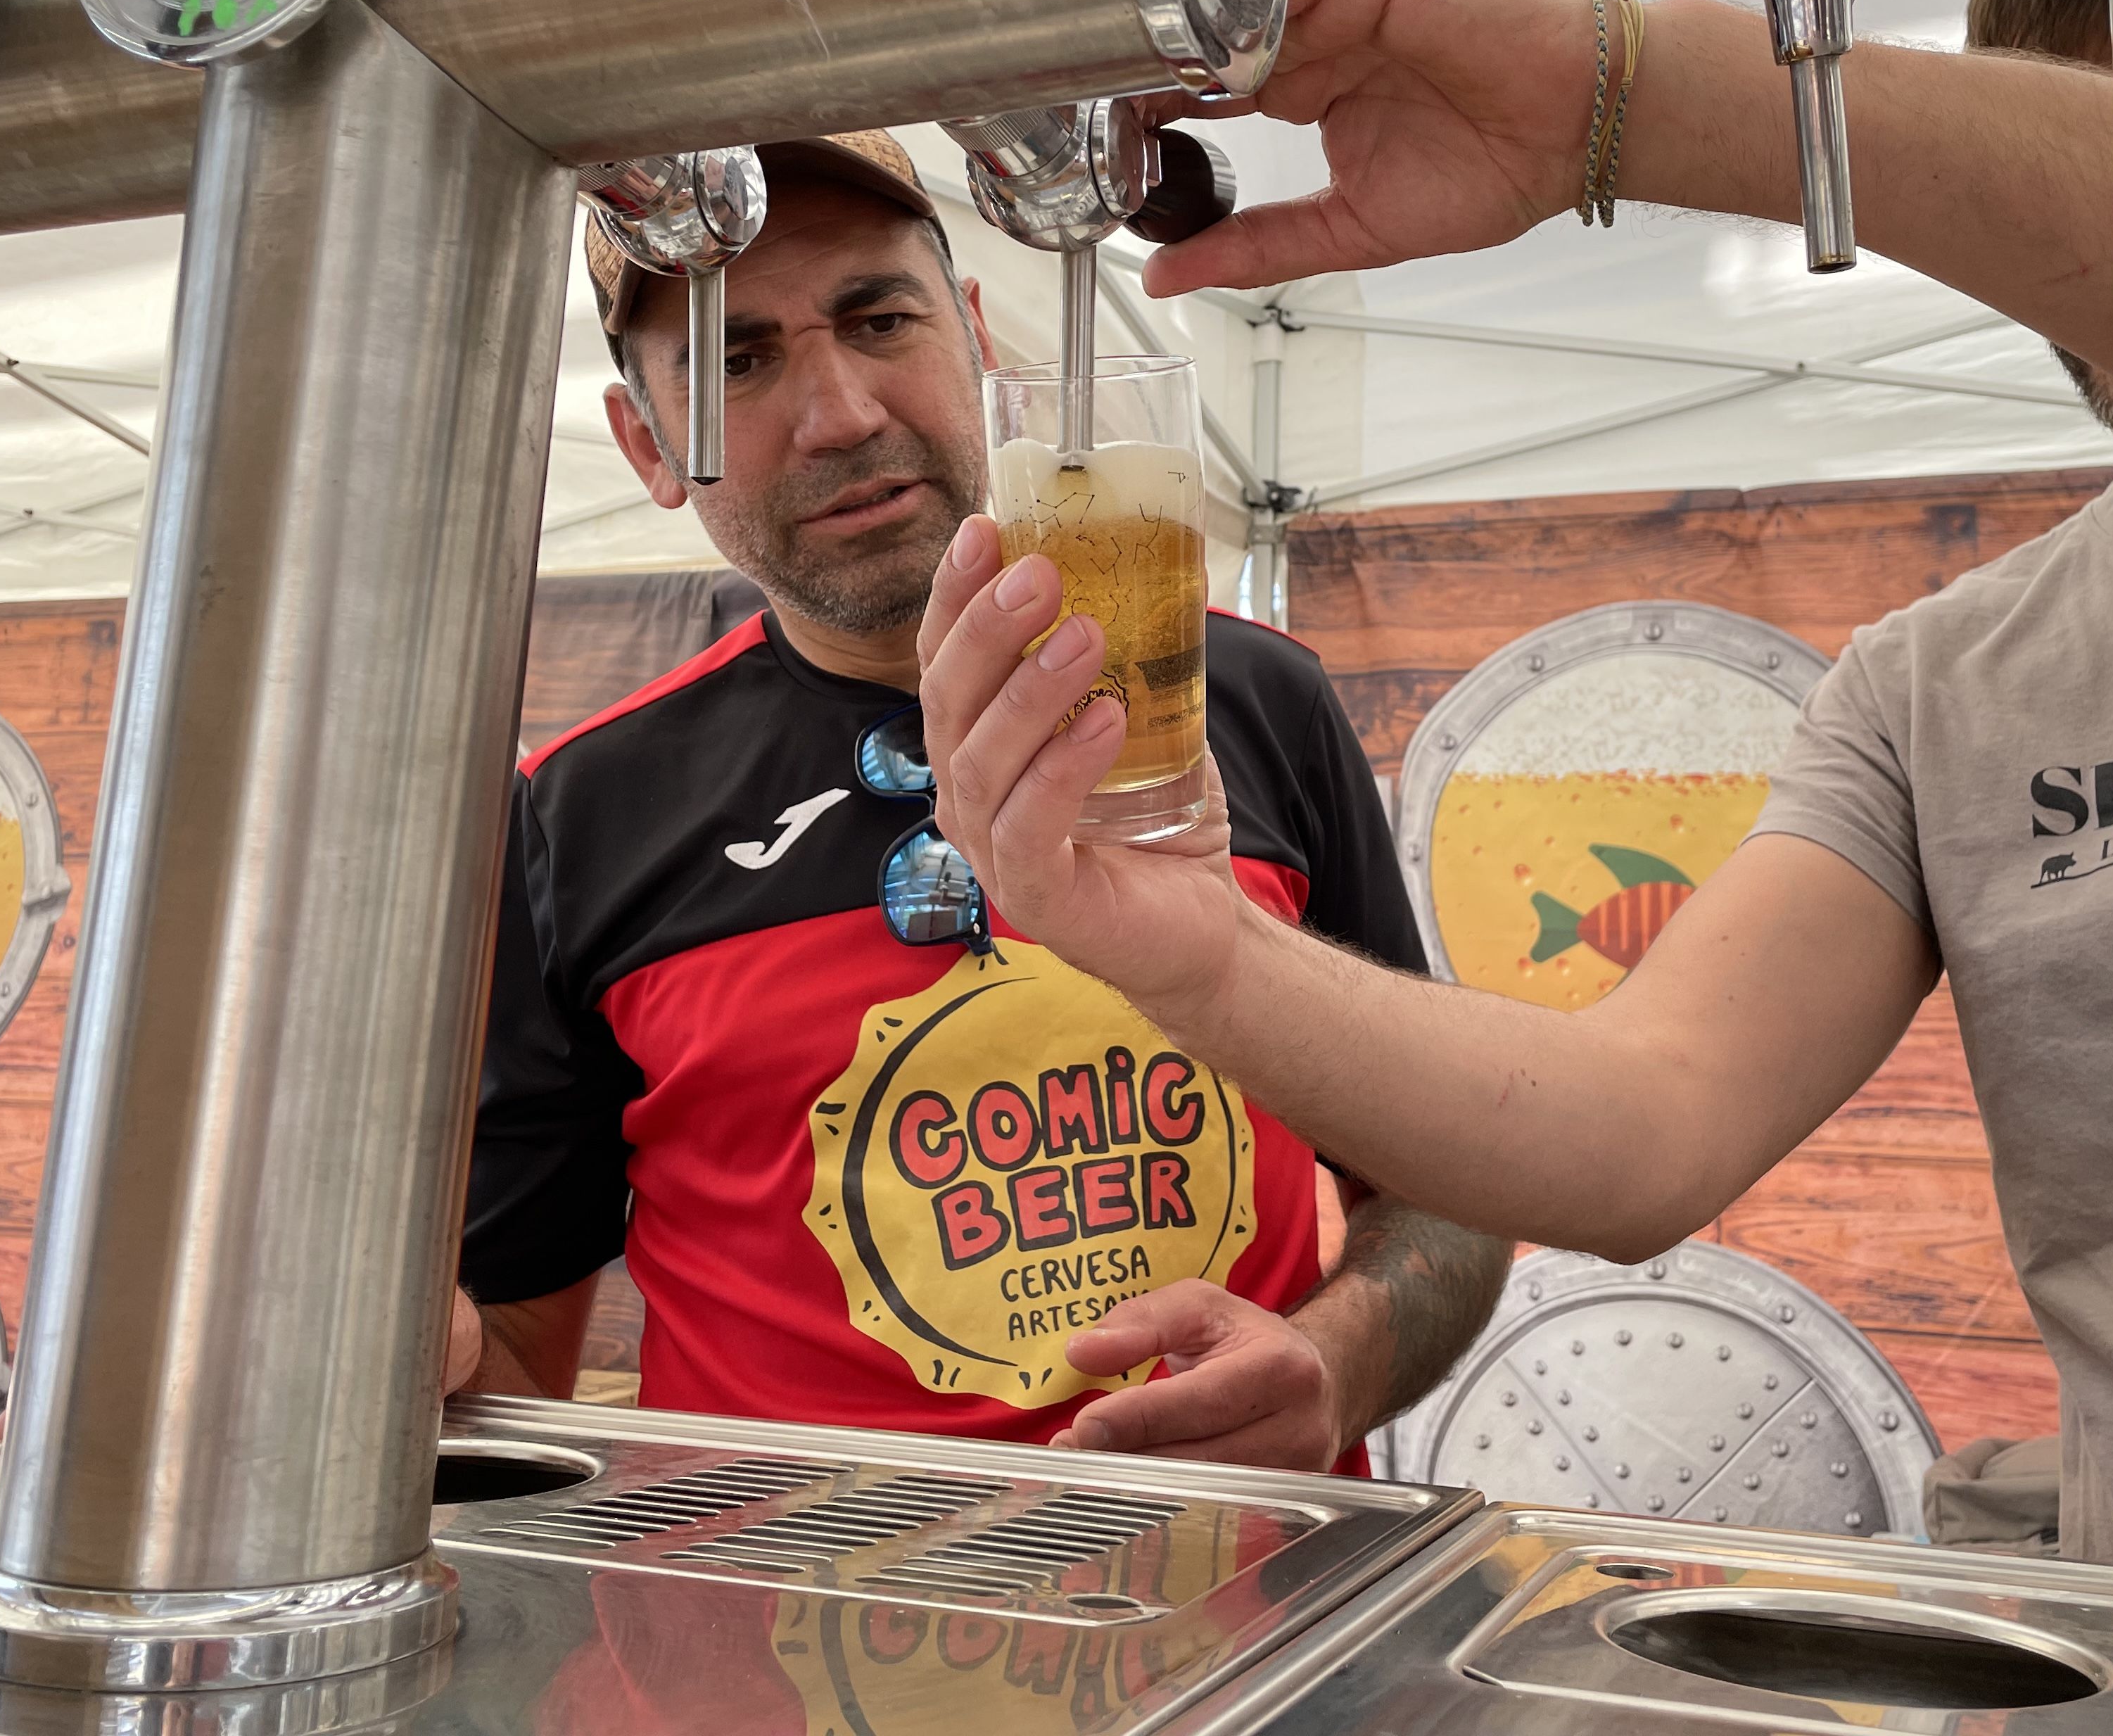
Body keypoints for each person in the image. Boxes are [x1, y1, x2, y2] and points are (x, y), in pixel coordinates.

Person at [918, 0, 2113, 1571]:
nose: (2108, 230)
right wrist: (1195, 950)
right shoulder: (1942, 686)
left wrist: (1626, 95)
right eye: (2043, 147)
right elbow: (1640, 1125)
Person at [443, 129, 1509, 1473]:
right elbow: (516, 1360)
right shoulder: (576, 813)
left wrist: (1337, 1365)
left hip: (1236, 1628)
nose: (841, 413)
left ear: (981, 341)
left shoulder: (1247, 702)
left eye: (880, 318)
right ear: (650, 444)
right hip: (760, 1642)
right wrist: (421, 1362)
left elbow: (1449, 1190)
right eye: (740, 358)